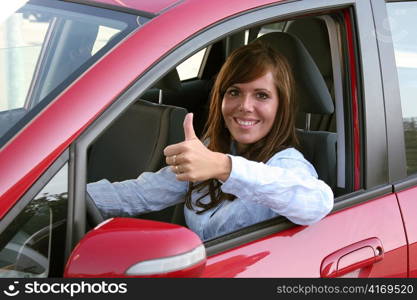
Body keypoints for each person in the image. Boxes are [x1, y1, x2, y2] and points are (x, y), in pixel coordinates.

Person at [87, 40, 334, 241]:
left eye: (261, 95)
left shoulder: (287, 163)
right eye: (234, 92)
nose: (245, 106)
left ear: (281, 106)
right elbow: (141, 194)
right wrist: (67, 199)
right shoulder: (209, 149)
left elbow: (316, 203)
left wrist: (225, 167)